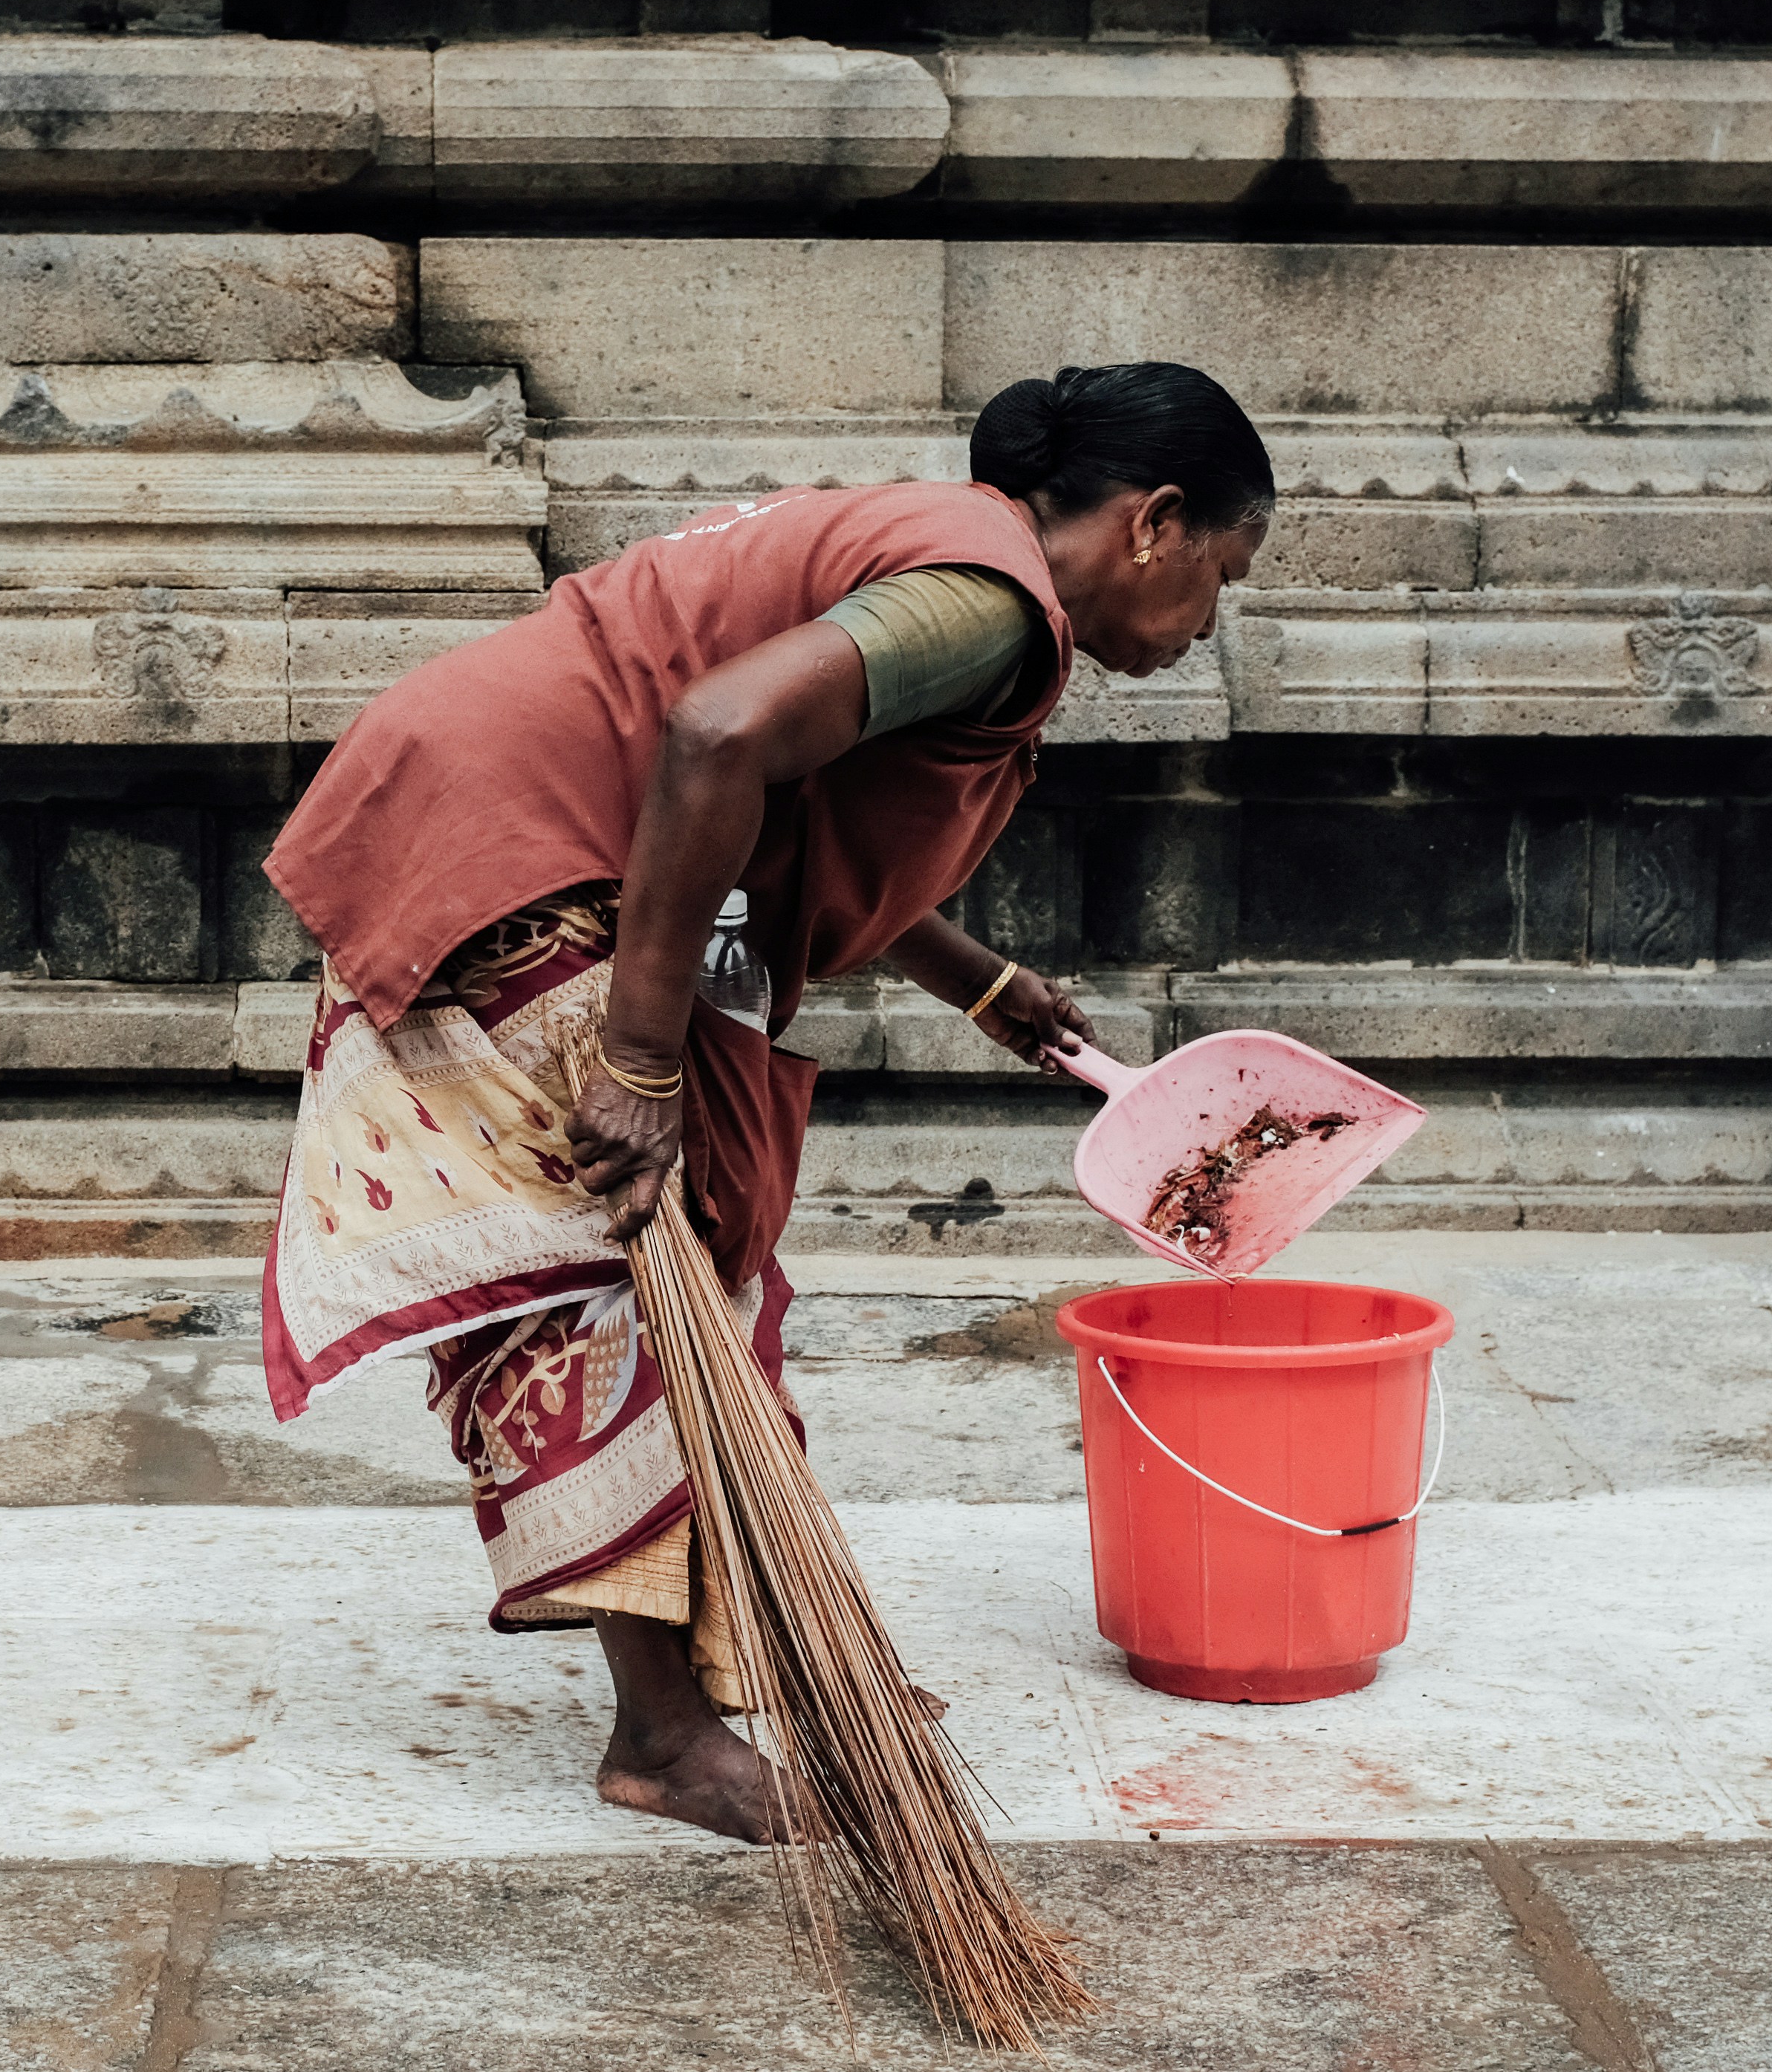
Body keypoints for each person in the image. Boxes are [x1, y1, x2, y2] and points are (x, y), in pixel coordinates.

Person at [256, 363, 1275, 1842]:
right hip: (538, 845)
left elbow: (781, 792)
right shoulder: (994, 603)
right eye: (1221, 577)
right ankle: (664, 1736)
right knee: (622, 1268)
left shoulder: (952, 552)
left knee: (717, 1227)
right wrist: (642, 1060)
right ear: (1156, 522)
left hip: (623, 858)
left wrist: (981, 982)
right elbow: (719, 735)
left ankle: (781, 1650)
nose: (1208, 621)